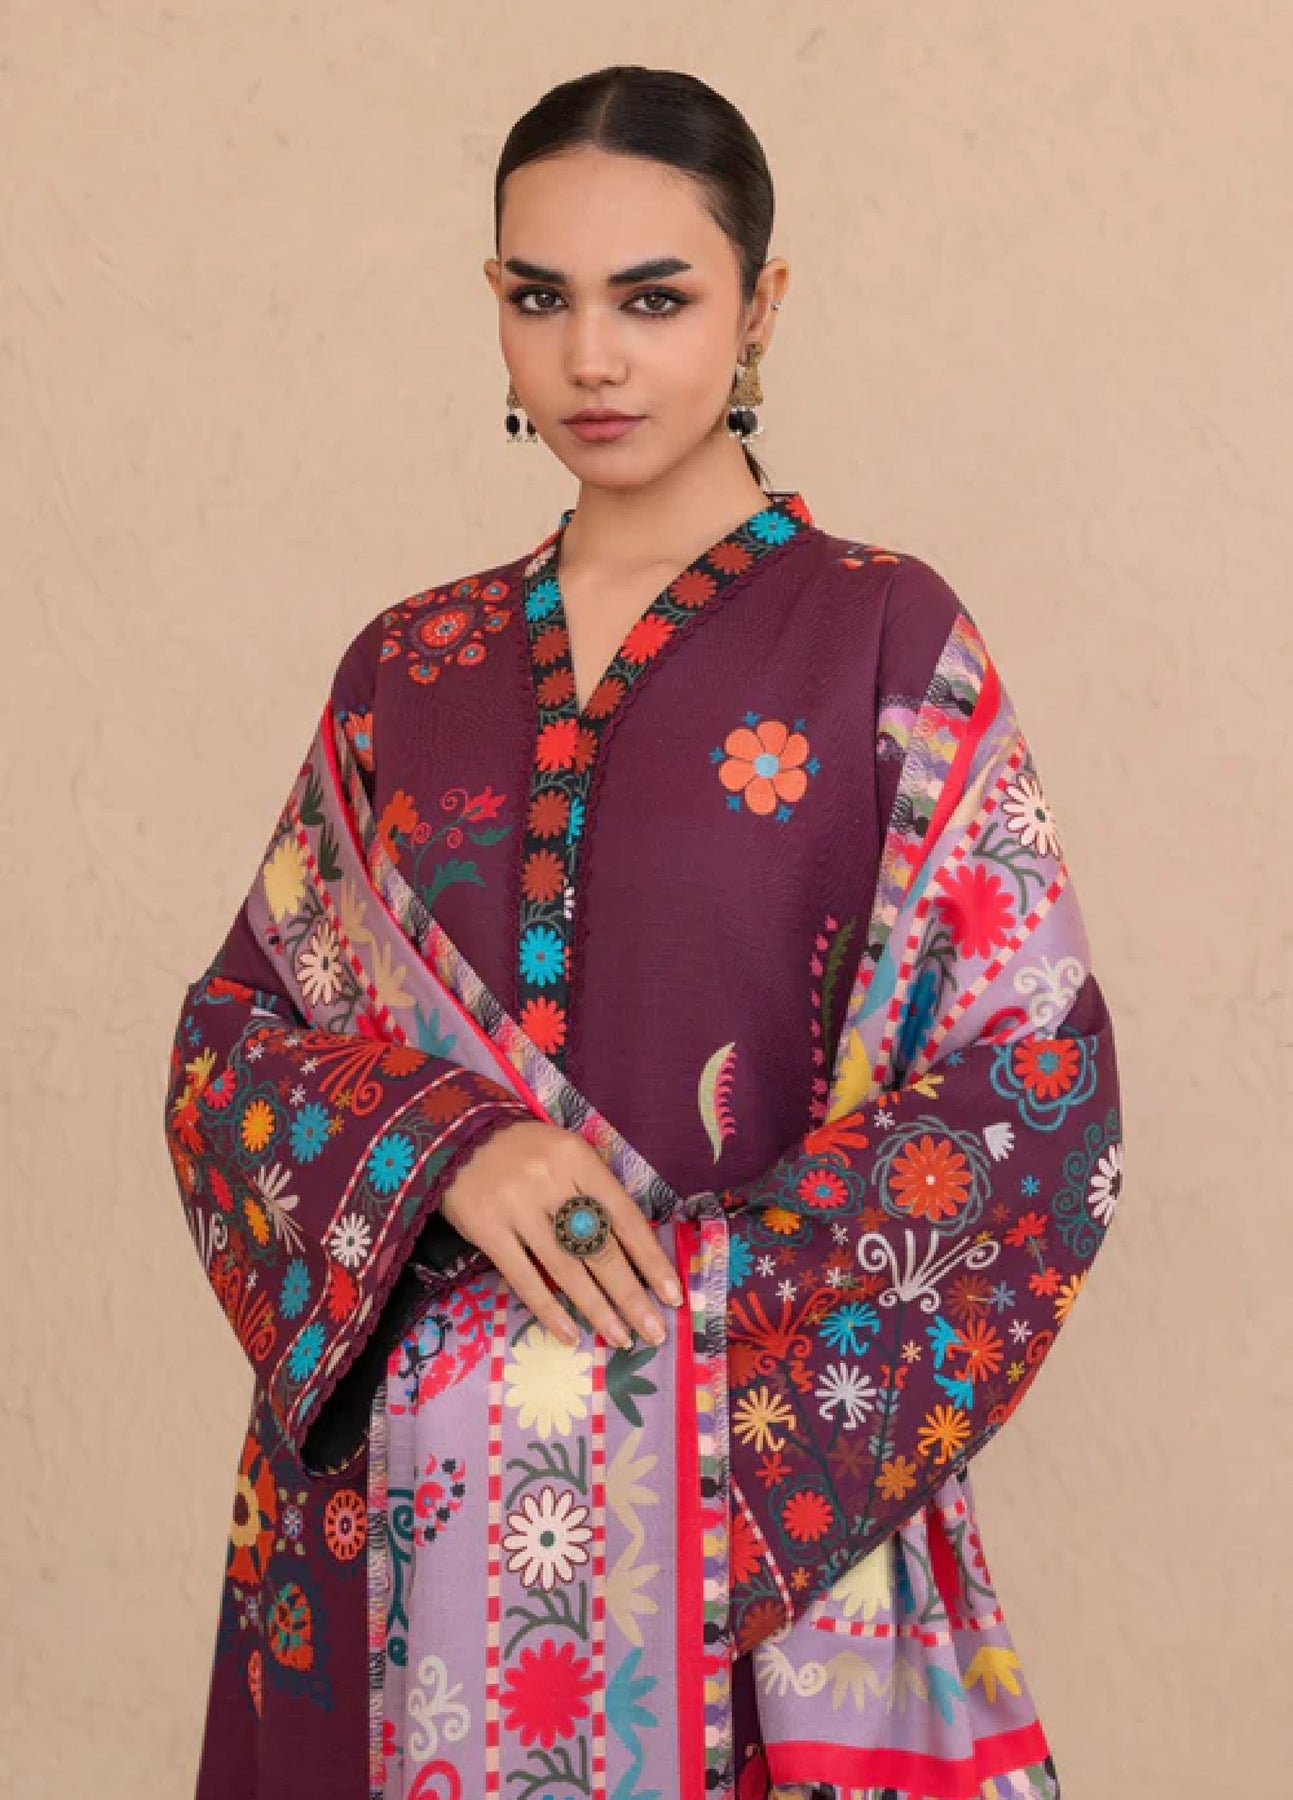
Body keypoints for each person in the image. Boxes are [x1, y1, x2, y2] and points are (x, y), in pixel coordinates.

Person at [164, 64, 1122, 1800]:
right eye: (542, 299)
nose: (591, 358)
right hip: (401, 1528)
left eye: (652, 299)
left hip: (744, 1531)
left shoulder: (882, 641)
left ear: (760, 306)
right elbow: (238, 1046)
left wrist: (685, 1338)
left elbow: (1031, 1091)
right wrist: (447, 1146)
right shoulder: (409, 669)